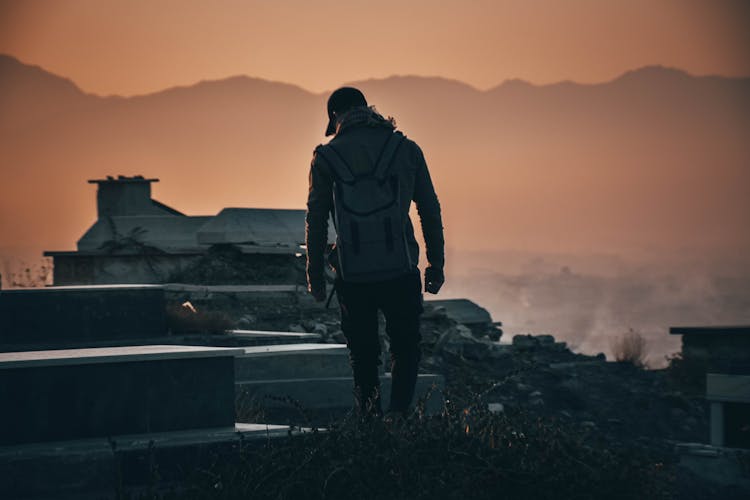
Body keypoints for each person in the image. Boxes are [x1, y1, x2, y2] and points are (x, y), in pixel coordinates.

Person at [305, 87, 445, 416]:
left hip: (353, 277)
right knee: (406, 349)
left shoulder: (325, 157)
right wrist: (435, 264)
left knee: (364, 357)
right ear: (368, 109)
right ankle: (399, 418)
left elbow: (316, 218)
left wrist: (315, 274)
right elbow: (429, 209)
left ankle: (370, 431)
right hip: (401, 269)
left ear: (335, 117)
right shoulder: (406, 149)